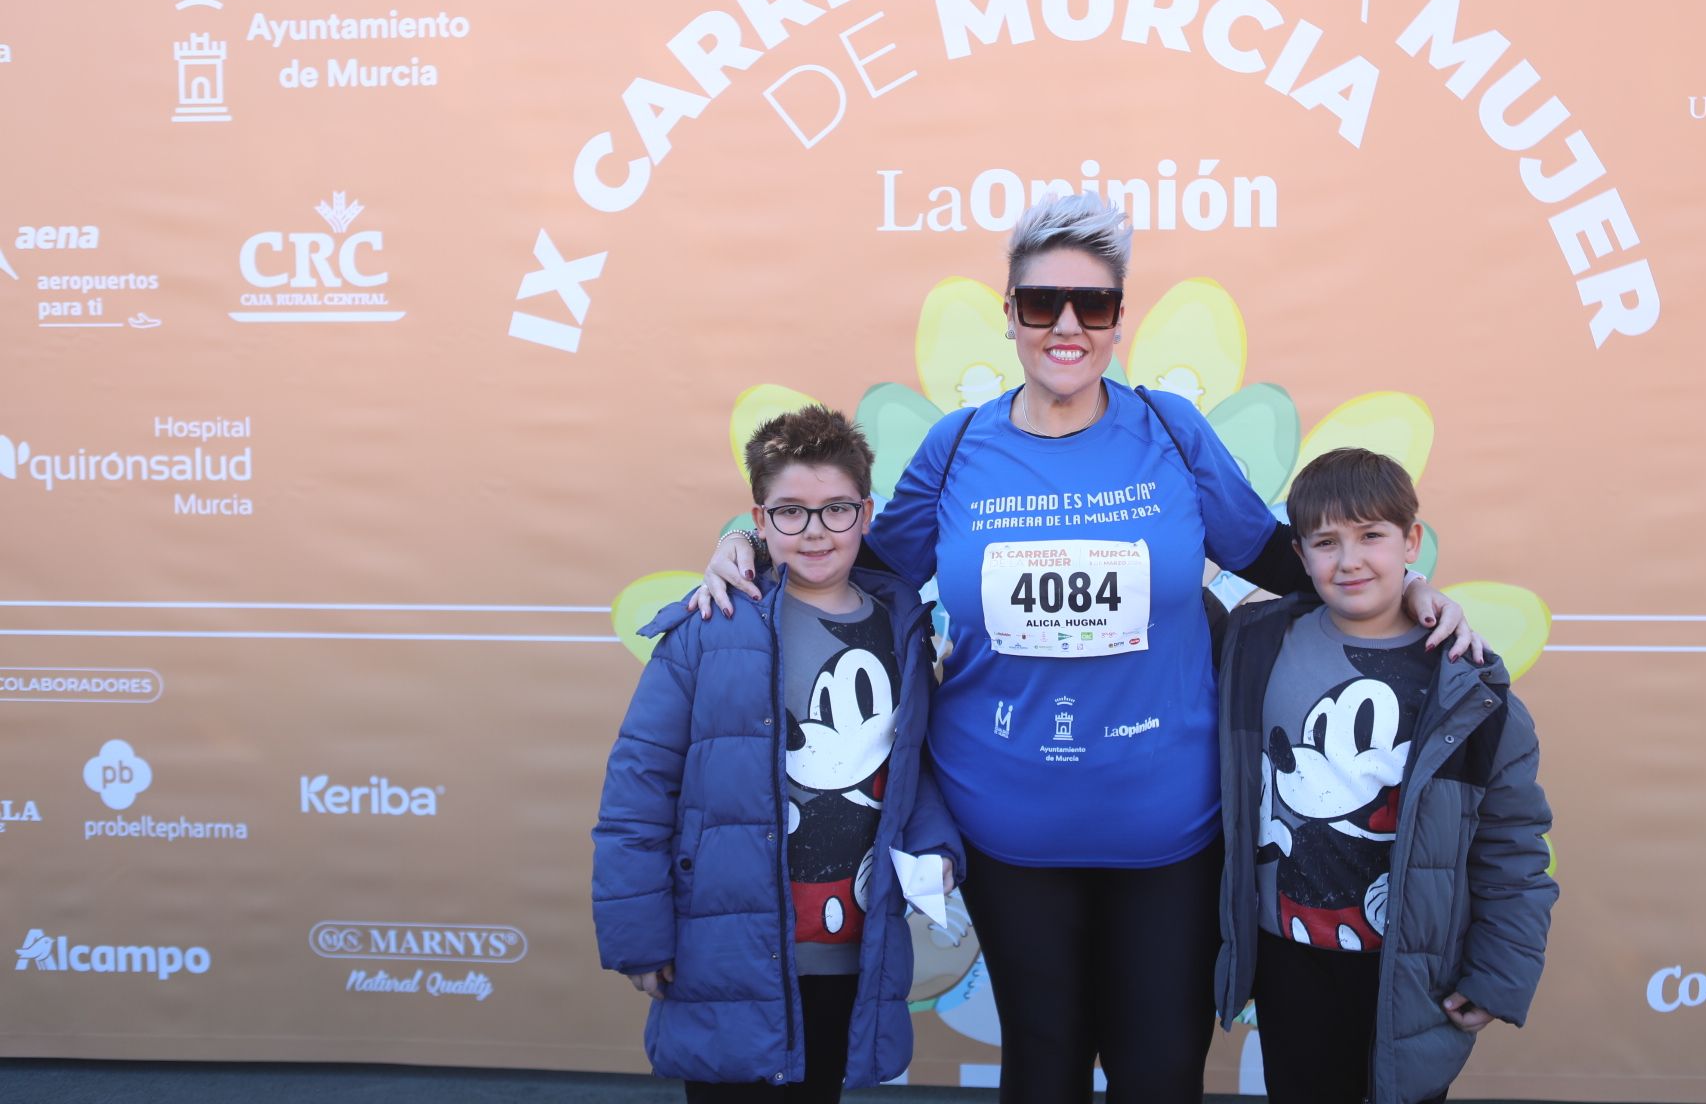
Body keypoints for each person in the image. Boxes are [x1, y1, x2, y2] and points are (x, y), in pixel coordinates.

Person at [695, 194, 1481, 1104]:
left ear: (1118, 321)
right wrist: (746, 547)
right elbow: (849, 557)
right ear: (1011, 317)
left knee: (1157, 1073)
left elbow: (1279, 555)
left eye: (1093, 304)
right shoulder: (958, 449)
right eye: (1042, 303)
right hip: (1011, 830)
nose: (1067, 324)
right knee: (1044, 1070)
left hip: (1169, 833)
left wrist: (1408, 588)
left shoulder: (1173, 435)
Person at [593, 406, 962, 1102]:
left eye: (836, 510)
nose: (815, 531)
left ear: (866, 514)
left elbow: (919, 771)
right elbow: (639, 784)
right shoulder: (707, 625)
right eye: (790, 512)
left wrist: (939, 847)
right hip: (726, 949)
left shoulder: (901, 628)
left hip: (851, 950)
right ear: (757, 522)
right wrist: (637, 934)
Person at [1214, 447, 1556, 1104]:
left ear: (1412, 541)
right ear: (1300, 552)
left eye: (1372, 535)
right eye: (1326, 542)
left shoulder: (1466, 681)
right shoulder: (1254, 644)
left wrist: (1498, 973)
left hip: (1413, 965)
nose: (1349, 561)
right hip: (1289, 958)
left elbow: (1513, 839)